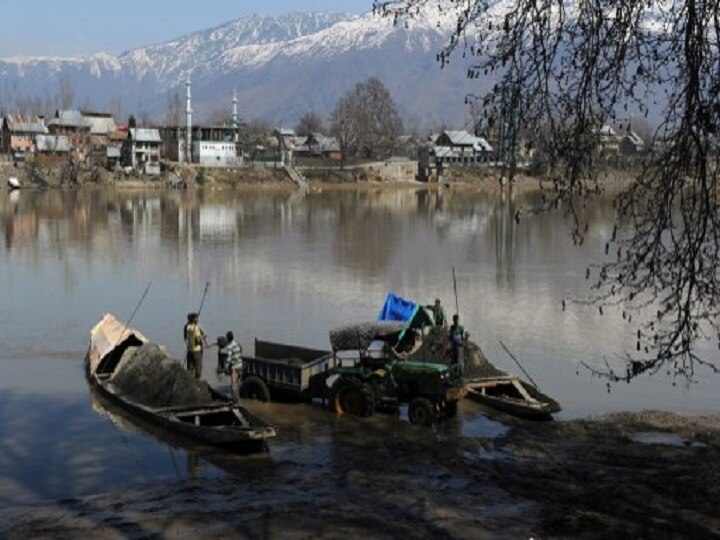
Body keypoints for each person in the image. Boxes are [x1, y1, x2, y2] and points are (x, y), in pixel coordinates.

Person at [221, 331, 243, 402]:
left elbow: (229, 358)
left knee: (233, 383)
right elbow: (240, 350)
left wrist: (225, 367)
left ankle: (234, 400)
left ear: (228, 338)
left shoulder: (229, 347)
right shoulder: (237, 343)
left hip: (234, 366)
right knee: (236, 382)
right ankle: (237, 396)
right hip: (240, 365)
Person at [184, 312, 207, 380]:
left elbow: (185, 338)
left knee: (190, 369)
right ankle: (197, 382)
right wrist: (204, 338)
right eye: (196, 318)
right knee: (198, 369)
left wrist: (187, 346)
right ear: (194, 319)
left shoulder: (186, 326)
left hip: (189, 350)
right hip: (197, 351)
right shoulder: (196, 327)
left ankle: (190, 382)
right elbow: (198, 339)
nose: (197, 319)